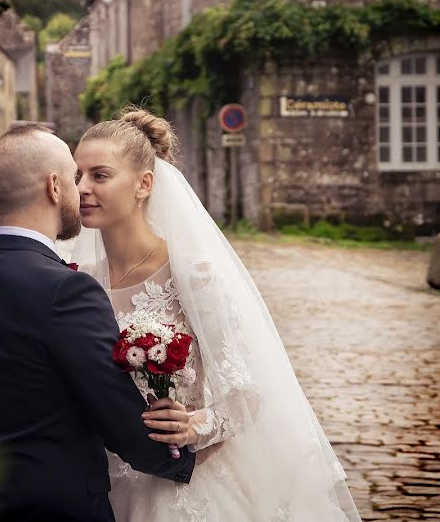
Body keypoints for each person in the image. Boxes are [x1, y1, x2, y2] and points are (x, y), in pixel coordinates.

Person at [70, 107, 361, 521]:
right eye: (76, 175)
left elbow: (248, 393)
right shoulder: (80, 282)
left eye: (99, 175)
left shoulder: (193, 276)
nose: (82, 188)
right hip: (103, 486)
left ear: (143, 184)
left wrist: (194, 425)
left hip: (184, 486)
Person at [0, 124, 196, 522]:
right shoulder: (69, 290)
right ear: (55, 187)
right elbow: (115, 410)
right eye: (74, 177)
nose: (82, 189)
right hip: (64, 506)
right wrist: (182, 461)